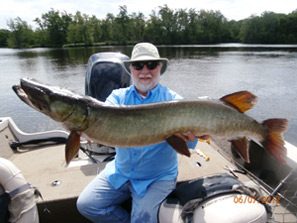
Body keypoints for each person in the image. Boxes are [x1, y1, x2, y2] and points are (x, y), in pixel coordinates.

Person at [77, 42, 200, 223]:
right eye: (138, 65)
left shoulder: (174, 101)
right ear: (130, 69)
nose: (145, 71)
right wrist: (86, 129)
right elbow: (100, 121)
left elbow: (191, 144)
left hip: (157, 178)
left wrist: (191, 137)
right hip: (121, 172)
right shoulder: (117, 98)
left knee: (141, 219)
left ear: (160, 68)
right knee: (87, 205)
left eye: (151, 65)